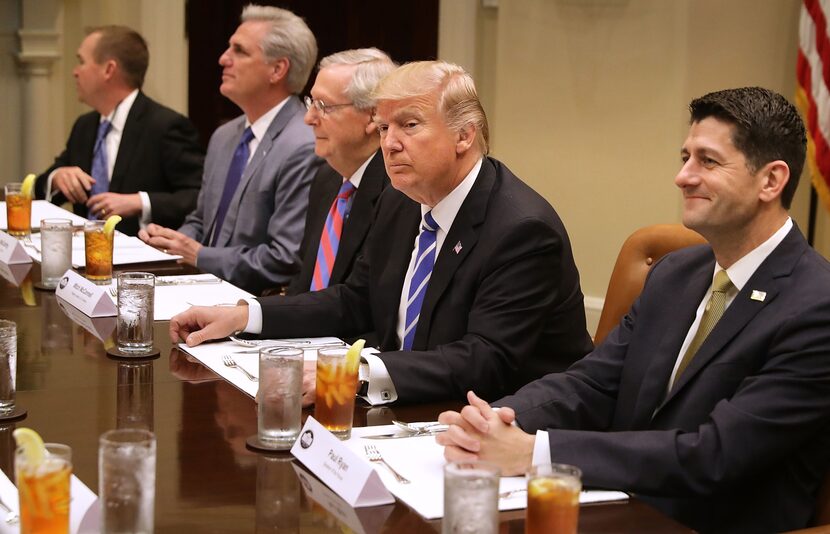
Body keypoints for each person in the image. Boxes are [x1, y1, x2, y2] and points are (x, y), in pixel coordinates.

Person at [437, 87, 830, 533]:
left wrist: (533, 453)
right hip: (619, 506)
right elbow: (593, 382)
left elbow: (715, 455)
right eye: (685, 157)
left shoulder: (817, 308)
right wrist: (497, 420)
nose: (683, 176)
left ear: (771, 181)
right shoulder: (676, 273)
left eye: (708, 161)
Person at [169, 60, 592, 406]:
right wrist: (246, 315)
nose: (389, 143)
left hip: (499, 419)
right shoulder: (401, 198)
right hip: (411, 404)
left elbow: (486, 358)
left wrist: (354, 374)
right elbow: (356, 299)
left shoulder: (522, 230)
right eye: (385, 127)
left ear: (465, 135)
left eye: (409, 125)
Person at [139, 5, 321, 294]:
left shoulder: (304, 145)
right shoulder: (224, 136)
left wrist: (198, 254)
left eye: (240, 51)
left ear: (277, 69)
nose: (223, 59)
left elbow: (284, 259)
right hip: (199, 287)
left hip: (254, 304)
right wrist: (169, 241)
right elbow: (201, 221)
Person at [35, 25, 204, 237]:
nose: (75, 72)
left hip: (143, 257)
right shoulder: (84, 126)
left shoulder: (165, 126)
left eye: (81, 62)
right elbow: (39, 188)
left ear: (108, 69)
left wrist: (140, 202)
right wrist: (57, 177)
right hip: (83, 256)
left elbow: (199, 197)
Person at [285, 48, 394, 296]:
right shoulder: (326, 178)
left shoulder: (397, 191)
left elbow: (360, 300)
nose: (309, 118)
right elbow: (303, 281)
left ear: (372, 117)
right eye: (311, 102)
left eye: (323, 106)